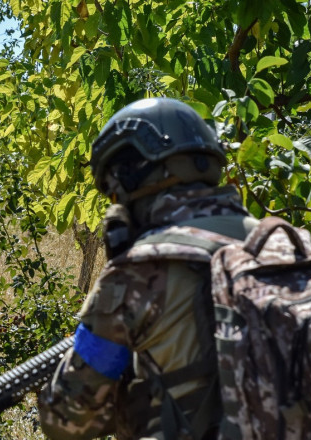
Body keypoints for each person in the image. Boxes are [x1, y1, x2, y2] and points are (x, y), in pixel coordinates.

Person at [37, 97, 256, 439]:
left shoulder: (140, 273)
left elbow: (67, 419)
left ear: (131, 180)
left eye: (112, 194)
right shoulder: (288, 243)